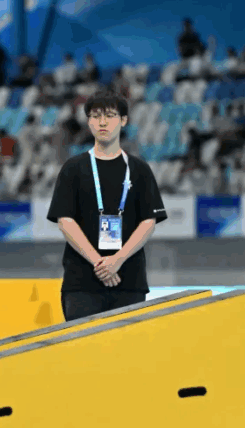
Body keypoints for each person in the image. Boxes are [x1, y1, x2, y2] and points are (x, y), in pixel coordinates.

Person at [47, 88, 168, 321]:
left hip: (129, 281)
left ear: (123, 120)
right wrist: (100, 263)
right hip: (81, 282)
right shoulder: (73, 169)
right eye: (95, 116)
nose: (102, 122)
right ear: (88, 122)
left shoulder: (139, 170)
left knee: (127, 344)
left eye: (110, 116)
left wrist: (118, 259)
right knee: (83, 343)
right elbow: (65, 221)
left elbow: (148, 222)